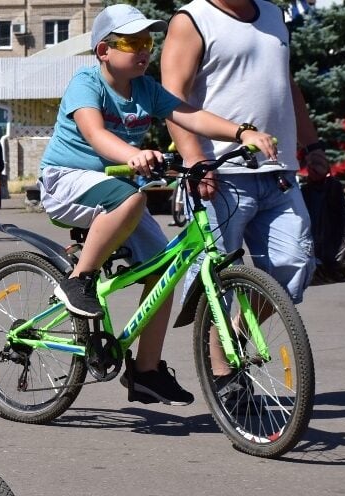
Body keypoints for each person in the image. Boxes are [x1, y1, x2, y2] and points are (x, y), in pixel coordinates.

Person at [37, 4, 275, 405]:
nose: (144, 49)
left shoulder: (146, 89)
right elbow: (95, 135)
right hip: (66, 181)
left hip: (116, 192)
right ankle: (80, 280)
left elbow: (190, 114)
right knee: (130, 197)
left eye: (148, 41)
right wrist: (132, 154)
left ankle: (146, 371)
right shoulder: (87, 83)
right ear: (103, 51)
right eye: (132, 41)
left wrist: (242, 132)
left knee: (164, 270)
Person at [160, 0, 322, 382]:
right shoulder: (192, 19)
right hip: (219, 172)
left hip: (277, 170)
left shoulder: (273, 15)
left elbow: (287, 84)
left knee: (293, 265)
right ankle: (223, 374)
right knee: (217, 280)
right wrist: (193, 156)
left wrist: (312, 145)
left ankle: (237, 335)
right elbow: (172, 95)